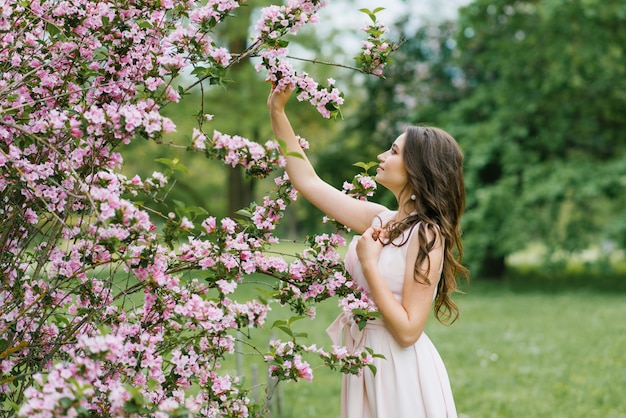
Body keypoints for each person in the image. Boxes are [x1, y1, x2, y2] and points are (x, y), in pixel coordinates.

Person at [268, 85, 469, 418]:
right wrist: (277, 111)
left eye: (392, 151)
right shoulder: (379, 217)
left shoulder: (428, 234)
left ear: (417, 169)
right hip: (365, 360)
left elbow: (408, 331)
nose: (381, 157)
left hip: (399, 371)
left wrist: (369, 264)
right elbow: (307, 181)